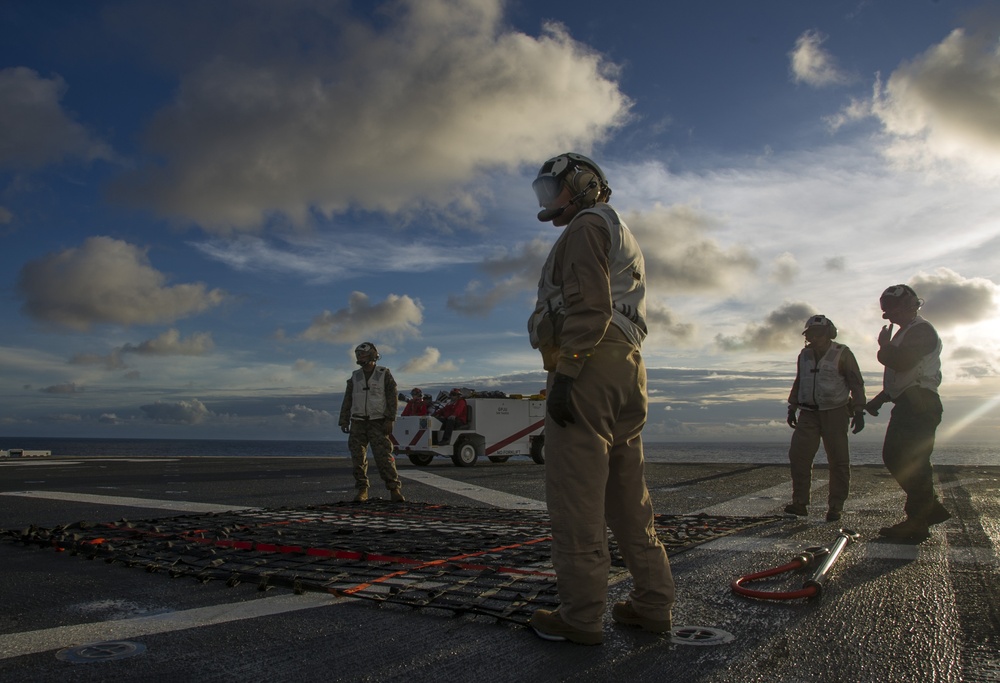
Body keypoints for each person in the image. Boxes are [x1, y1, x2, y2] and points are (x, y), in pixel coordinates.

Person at [525, 153, 675, 646]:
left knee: (576, 495)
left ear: (584, 185)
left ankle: (582, 615)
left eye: (555, 190)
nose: (549, 203)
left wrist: (567, 370)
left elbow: (590, 304)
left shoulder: (587, 226)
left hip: (588, 360)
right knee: (627, 497)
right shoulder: (619, 231)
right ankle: (652, 602)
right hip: (626, 367)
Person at [865, 284, 948, 539]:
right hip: (910, 403)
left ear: (913, 305)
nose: (891, 314)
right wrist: (878, 400)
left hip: (919, 403)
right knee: (898, 457)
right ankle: (925, 511)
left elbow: (903, 363)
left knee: (911, 460)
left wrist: (884, 346)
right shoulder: (906, 333)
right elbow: (902, 378)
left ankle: (919, 519)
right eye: (888, 310)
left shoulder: (921, 331)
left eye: (896, 308)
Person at [784, 315, 866, 522]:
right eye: (811, 334)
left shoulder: (842, 353)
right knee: (798, 457)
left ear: (829, 334)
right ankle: (799, 503)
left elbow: (856, 383)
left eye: (818, 334)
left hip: (836, 412)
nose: (814, 338)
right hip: (808, 412)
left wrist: (858, 410)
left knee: (838, 461)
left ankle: (836, 506)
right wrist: (792, 405)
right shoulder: (804, 355)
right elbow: (799, 380)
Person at [338, 342, 404, 503]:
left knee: (384, 457)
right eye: (359, 355)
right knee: (358, 458)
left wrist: (390, 418)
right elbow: (348, 399)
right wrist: (344, 419)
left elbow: (392, 397)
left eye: (364, 354)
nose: (361, 357)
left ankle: (394, 489)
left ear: (373, 355)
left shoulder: (383, 374)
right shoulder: (355, 376)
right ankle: (362, 490)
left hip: (378, 422)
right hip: (358, 422)